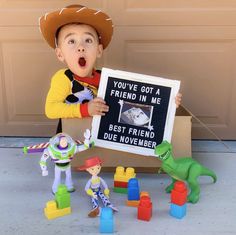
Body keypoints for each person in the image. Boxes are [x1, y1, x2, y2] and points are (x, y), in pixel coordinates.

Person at [39, 4, 181, 133]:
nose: (81, 47)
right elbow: (50, 109)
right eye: (71, 41)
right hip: (70, 140)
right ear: (60, 54)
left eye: (88, 40)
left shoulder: (105, 78)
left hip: (98, 138)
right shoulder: (63, 78)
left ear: (99, 50)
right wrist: (85, 109)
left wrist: (167, 100)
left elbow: (133, 103)